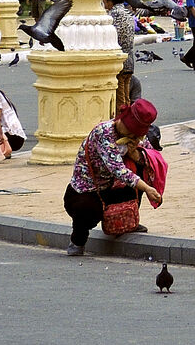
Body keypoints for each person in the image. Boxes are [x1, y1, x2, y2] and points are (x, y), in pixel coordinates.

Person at [63, 99, 164, 256]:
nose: (132, 135)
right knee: (88, 211)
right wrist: (148, 188)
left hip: (112, 187)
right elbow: (119, 170)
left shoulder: (137, 137)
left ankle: (128, 220)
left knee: (140, 170)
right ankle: (77, 242)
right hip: (87, 190)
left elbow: (151, 157)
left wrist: (135, 155)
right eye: (130, 130)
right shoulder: (104, 133)